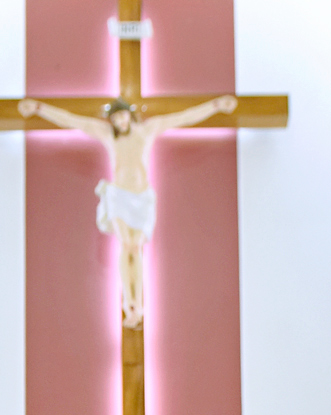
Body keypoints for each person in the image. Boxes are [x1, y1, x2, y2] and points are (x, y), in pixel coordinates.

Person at [14, 93, 239, 329]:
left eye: (123, 116)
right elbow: (72, 120)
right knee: (126, 245)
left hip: (142, 197)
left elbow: (183, 117)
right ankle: (128, 303)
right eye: (116, 119)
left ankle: (138, 305)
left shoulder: (148, 130)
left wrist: (216, 105)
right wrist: (39, 108)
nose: (120, 122)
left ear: (130, 115)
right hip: (119, 195)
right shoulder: (107, 135)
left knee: (137, 248)